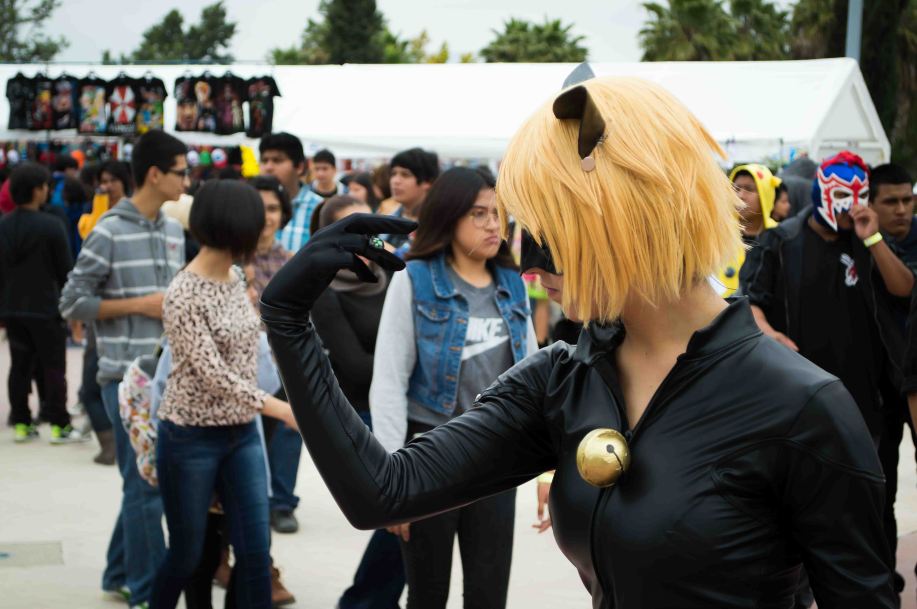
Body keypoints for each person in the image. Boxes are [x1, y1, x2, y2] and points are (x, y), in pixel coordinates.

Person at [260, 74, 896, 608]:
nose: (527, 263)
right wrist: (288, 318)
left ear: (625, 215)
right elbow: (384, 491)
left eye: (548, 230)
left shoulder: (799, 406)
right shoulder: (563, 379)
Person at [368, 166, 537, 609]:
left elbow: (535, 379)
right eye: (479, 214)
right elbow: (389, 379)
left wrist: (547, 467)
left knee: (488, 594)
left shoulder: (513, 285)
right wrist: (390, 481)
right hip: (429, 455)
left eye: (498, 214)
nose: (493, 225)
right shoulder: (414, 279)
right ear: (449, 215)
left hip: (496, 459)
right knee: (427, 594)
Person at [151, 179, 298, 609]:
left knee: (254, 552)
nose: (264, 229)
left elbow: (247, 354)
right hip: (189, 437)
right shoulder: (183, 292)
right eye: (257, 221)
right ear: (235, 227)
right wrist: (280, 409)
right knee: (186, 554)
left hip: (242, 433)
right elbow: (213, 373)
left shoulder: (236, 277)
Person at [60, 130, 189, 609]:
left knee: (142, 482)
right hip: (121, 379)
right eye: (180, 172)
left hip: (164, 377)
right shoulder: (108, 231)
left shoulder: (173, 230)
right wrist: (138, 304)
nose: (186, 181)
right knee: (146, 486)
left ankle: (119, 573)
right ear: (154, 174)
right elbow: (71, 302)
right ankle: (148, 591)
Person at [742, 151, 912, 442]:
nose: (851, 205)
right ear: (821, 193)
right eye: (842, 195)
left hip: (867, 399)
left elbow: (904, 290)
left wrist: (873, 239)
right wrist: (769, 334)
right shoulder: (781, 241)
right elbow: (751, 301)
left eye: (860, 196)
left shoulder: (869, 239)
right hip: (801, 394)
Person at [307, 195, 406, 609]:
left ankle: (372, 599)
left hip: (404, 405)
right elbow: (356, 367)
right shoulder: (323, 289)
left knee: (409, 518)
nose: (366, 237)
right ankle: (364, 601)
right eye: (353, 229)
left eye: (369, 227)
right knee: (400, 517)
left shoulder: (394, 273)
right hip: (361, 415)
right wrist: (406, 358)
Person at [0, 162, 81, 443]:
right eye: (45, 186)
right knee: (53, 367)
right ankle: (59, 424)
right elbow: (65, 271)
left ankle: (21, 422)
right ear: (37, 190)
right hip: (46, 307)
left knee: (19, 365)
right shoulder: (51, 225)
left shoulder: (3, 225)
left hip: (12, 307)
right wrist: (73, 308)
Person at [869, 162, 917, 599]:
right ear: (871, 204)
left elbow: (904, 286)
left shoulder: (889, 241)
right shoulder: (853, 241)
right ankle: (887, 585)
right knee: (880, 488)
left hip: (913, 379)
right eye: (891, 201)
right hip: (877, 387)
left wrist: (874, 240)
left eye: (908, 199)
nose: (902, 209)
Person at [245, 175, 301, 537]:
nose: (266, 217)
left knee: (288, 431)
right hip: (241, 369)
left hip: (282, 366)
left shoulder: (291, 263)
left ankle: (282, 502)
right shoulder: (231, 261)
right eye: (259, 208)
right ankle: (255, 500)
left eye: (273, 208)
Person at [713, 163, 781, 297]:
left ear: (765, 194)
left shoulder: (779, 237)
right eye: (736, 189)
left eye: (749, 189)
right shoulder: (718, 233)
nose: (740, 195)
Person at [259, 132, 324, 251]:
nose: (268, 167)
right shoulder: (250, 206)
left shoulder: (319, 209)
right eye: (264, 160)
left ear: (299, 167)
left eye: (277, 160)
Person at [379, 148, 439, 255]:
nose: (396, 181)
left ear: (427, 182)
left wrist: (379, 246)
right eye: (393, 174)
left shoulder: (437, 224)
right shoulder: (387, 215)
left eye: (405, 175)